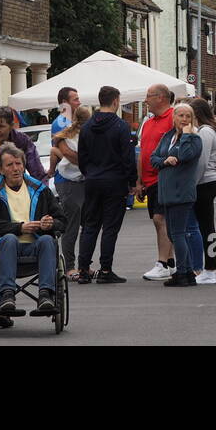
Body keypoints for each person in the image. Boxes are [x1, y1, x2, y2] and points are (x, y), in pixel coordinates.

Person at [0, 143, 64, 318]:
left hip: (35, 246)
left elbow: (62, 221)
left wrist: (50, 224)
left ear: (24, 165)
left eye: (18, 164)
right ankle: (7, 295)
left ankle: (45, 296)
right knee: (10, 239)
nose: (15, 169)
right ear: (0, 169)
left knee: (47, 240)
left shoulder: (41, 190)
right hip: (4, 249)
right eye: (9, 165)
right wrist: (18, 228)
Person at [76, 85, 136, 284]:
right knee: (110, 227)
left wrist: (89, 173)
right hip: (114, 180)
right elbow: (128, 158)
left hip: (92, 180)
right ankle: (105, 269)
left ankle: (83, 269)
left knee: (90, 225)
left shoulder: (86, 127)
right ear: (116, 101)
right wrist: (132, 181)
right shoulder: (121, 127)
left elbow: (82, 157)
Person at [151, 103, 204, 287]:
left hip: (182, 192)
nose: (183, 119)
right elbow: (154, 158)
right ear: (174, 118)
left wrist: (188, 135)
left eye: (187, 116)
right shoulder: (168, 137)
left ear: (192, 119)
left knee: (179, 233)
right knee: (173, 234)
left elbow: (186, 155)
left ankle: (182, 272)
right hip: (167, 192)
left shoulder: (194, 139)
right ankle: (187, 270)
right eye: (180, 115)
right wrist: (165, 160)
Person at [136, 83, 176, 280]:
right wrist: (139, 181)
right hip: (149, 180)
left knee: (161, 219)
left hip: (165, 177)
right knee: (158, 220)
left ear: (161, 97)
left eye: (149, 96)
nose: (146, 100)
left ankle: (163, 262)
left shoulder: (173, 118)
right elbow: (142, 152)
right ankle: (170, 262)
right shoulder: (149, 122)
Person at [52, 105, 91, 279]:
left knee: (85, 226)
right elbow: (70, 155)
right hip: (70, 182)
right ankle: (70, 266)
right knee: (73, 226)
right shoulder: (68, 133)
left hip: (79, 181)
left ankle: (81, 265)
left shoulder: (76, 134)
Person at [189, 97, 216, 284]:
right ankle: (211, 268)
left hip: (204, 182)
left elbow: (201, 162)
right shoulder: (210, 129)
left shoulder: (205, 132)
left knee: (207, 228)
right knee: (208, 227)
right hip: (208, 181)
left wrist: (191, 183)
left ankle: (211, 269)